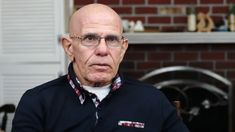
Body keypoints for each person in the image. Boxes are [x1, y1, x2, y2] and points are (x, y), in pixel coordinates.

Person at [12, 3, 189, 132]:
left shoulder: (153, 100)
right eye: (89, 38)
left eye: (112, 40)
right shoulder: (37, 102)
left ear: (122, 49)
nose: (102, 50)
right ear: (69, 47)